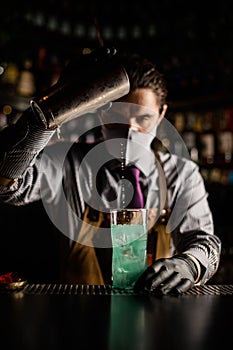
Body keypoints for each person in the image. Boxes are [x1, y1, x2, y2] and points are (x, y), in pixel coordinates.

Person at [0, 48, 221, 295]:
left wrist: (189, 264)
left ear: (161, 115)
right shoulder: (66, 163)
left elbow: (204, 242)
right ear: (99, 113)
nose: (130, 129)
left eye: (143, 119)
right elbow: (8, 187)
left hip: (157, 315)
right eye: (117, 116)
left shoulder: (181, 174)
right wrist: (45, 115)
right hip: (78, 314)